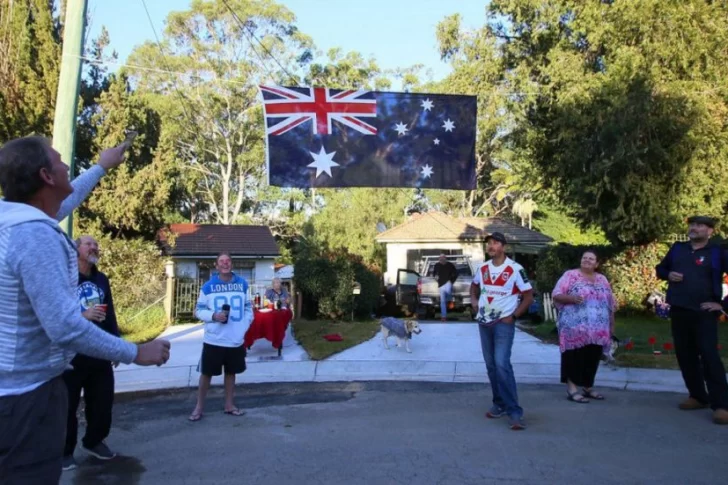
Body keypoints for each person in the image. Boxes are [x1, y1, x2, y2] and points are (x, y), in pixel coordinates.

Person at [0, 136, 171, 485]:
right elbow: (64, 327)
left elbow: (67, 199)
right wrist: (135, 352)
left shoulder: (14, 220)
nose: (66, 166)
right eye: (60, 161)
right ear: (47, 176)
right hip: (24, 400)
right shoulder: (34, 234)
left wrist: (102, 166)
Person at [655, 216, 728, 425]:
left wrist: (722, 305)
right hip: (679, 309)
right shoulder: (678, 248)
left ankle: (722, 405)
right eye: (692, 225)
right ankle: (697, 396)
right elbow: (660, 269)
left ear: (710, 231)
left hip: (704, 312)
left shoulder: (717, 252)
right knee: (685, 355)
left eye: (699, 225)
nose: (694, 228)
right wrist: (668, 274)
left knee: (709, 356)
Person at [62, 235, 122, 471]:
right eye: (89, 244)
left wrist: (116, 345)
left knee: (103, 400)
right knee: (67, 404)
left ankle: (94, 441)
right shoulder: (65, 278)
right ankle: (65, 451)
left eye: (96, 244)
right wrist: (82, 315)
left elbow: (111, 315)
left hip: (98, 350)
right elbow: (55, 314)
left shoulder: (101, 279)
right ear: (76, 250)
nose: (94, 247)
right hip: (71, 353)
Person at [470, 232, 534, 430]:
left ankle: (514, 411)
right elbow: (474, 287)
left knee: (501, 363)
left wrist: (513, 316)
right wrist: (474, 302)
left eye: (495, 243)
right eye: (489, 243)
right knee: (491, 365)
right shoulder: (483, 268)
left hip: (503, 323)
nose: (491, 246)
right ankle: (499, 404)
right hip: (484, 322)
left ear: (503, 247)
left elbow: (529, 296)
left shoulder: (515, 269)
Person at [189, 252, 254, 421]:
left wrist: (244, 327)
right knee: (206, 373)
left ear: (232, 264)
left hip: (235, 340)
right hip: (214, 339)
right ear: (217, 266)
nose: (225, 264)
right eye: (221, 262)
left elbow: (248, 308)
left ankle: (229, 405)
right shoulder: (208, 286)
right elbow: (198, 310)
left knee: (231, 373)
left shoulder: (243, 284)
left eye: (228, 261)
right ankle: (199, 407)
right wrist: (213, 316)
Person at [552, 250, 616, 403]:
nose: (587, 260)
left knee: (592, 357)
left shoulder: (602, 279)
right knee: (574, 357)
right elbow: (556, 294)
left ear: (597, 264)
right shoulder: (570, 275)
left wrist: (611, 325)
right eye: (584, 258)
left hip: (598, 329)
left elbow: (610, 303)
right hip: (574, 328)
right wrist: (572, 298)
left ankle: (587, 387)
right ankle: (572, 389)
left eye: (591, 259)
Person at [433, 253, 458, 322]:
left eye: (443, 257)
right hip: (440, 284)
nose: (441, 258)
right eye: (440, 257)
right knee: (442, 301)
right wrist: (436, 277)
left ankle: (450, 300)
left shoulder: (450, 265)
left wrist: (451, 281)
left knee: (449, 292)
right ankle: (443, 316)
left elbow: (456, 273)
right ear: (439, 258)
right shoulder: (437, 265)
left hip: (448, 283)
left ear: (445, 258)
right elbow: (434, 273)